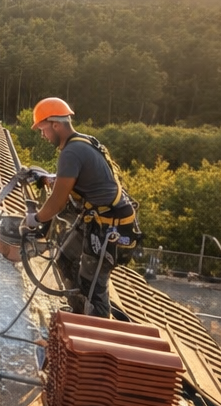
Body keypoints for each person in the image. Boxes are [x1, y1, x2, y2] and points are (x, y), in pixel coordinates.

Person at [24, 97, 142, 317]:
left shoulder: (71, 152)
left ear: (56, 124)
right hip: (101, 220)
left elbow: (57, 202)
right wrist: (49, 178)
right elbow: (78, 179)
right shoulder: (82, 142)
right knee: (65, 258)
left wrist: (36, 219)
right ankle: (78, 311)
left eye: (43, 129)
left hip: (110, 228)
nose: (42, 135)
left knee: (92, 286)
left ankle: (96, 334)